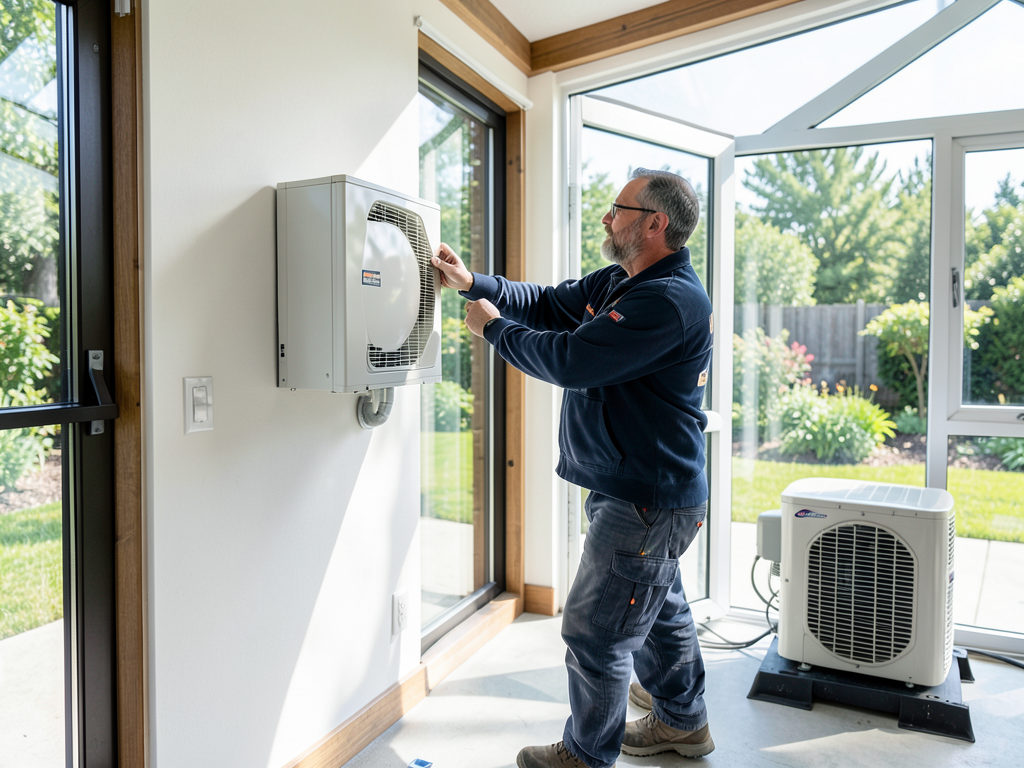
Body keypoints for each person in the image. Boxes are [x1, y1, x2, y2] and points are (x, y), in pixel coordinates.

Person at [431, 168, 714, 768]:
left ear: (655, 223)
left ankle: (585, 756)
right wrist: (471, 282)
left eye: (618, 208)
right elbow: (548, 302)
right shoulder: (622, 280)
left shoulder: (667, 300)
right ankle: (682, 723)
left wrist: (493, 329)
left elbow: (572, 360)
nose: (607, 218)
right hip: (638, 489)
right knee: (660, 610)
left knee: (597, 635)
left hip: (648, 499)